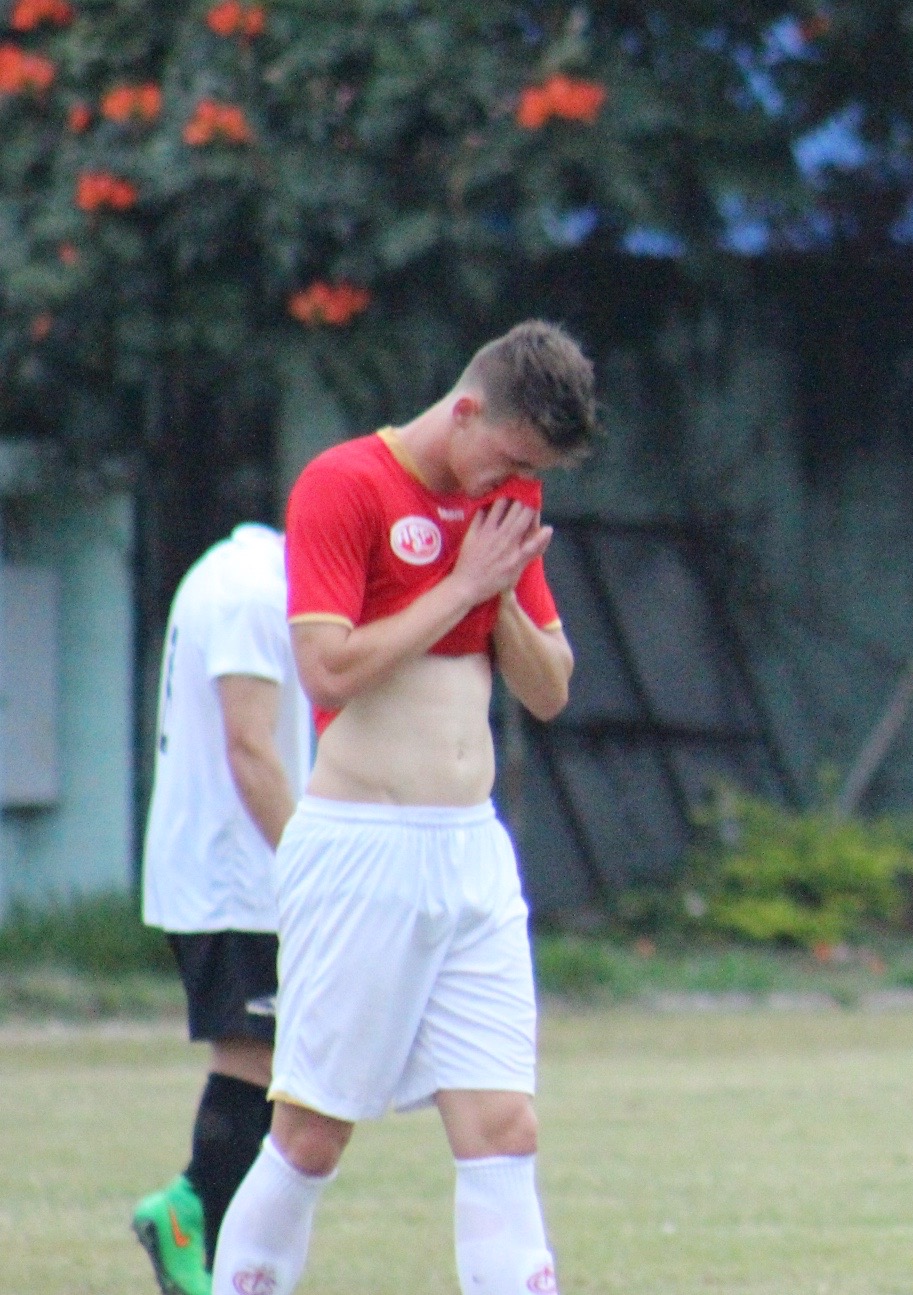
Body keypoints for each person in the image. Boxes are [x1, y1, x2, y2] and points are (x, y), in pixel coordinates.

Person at [209, 320, 594, 1295]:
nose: (504, 482)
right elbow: (327, 664)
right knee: (308, 1133)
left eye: (528, 471)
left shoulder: (505, 496)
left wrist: (497, 591)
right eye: (504, 456)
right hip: (362, 848)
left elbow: (549, 689)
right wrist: (462, 578)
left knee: (504, 1127)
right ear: (465, 409)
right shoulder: (345, 483)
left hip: (470, 852)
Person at [133, 522, 311, 1295]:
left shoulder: (229, 570)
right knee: (260, 1062)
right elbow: (249, 746)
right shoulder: (254, 593)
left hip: (222, 870)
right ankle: (191, 1215)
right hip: (240, 874)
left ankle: (206, 1231)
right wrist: (312, 863)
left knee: (273, 1065)